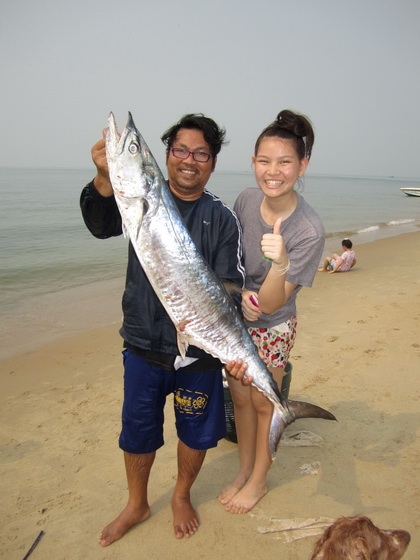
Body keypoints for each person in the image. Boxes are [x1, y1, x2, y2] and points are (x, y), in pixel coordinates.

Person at [80, 114, 245, 544]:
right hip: (143, 341)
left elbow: (231, 286)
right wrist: (103, 177)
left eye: (201, 153)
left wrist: (233, 348)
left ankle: (181, 495)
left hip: (202, 352)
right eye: (180, 150)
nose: (190, 160)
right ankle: (137, 503)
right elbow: (100, 225)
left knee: (196, 431)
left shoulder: (221, 218)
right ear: (166, 156)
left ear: (212, 162)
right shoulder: (136, 199)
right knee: (137, 432)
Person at [218, 109, 325, 514]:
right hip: (234, 325)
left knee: (265, 404)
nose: (273, 171)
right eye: (264, 160)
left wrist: (279, 265)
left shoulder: (308, 228)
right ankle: (245, 469)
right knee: (241, 400)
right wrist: (236, 292)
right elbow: (230, 258)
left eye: (285, 162)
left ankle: (260, 480)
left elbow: (276, 301)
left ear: (302, 166)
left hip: (273, 326)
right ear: (253, 162)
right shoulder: (245, 200)